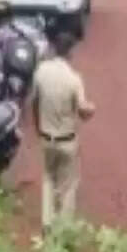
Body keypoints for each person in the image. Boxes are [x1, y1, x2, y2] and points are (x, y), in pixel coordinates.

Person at [30, 30, 95, 229]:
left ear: (53, 49)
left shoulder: (41, 72)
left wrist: (37, 128)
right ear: (70, 53)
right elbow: (83, 112)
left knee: (48, 178)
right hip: (67, 140)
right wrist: (92, 109)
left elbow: (34, 102)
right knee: (68, 185)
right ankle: (64, 227)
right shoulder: (74, 79)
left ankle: (47, 222)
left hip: (46, 137)